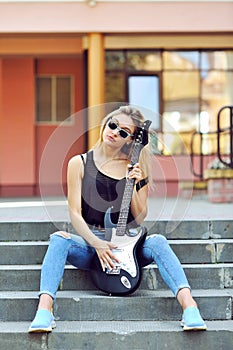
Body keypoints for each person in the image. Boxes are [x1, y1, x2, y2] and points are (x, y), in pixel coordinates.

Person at [28, 105, 207, 333]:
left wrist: (133, 184)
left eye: (123, 132)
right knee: (58, 239)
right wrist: (98, 244)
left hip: (128, 247)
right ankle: (45, 309)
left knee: (159, 241)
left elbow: (140, 218)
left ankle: (189, 307)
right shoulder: (79, 163)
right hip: (92, 243)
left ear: (130, 140)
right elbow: (74, 212)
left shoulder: (135, 168)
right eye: (113, 125)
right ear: (105, 123)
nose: (114, 132)